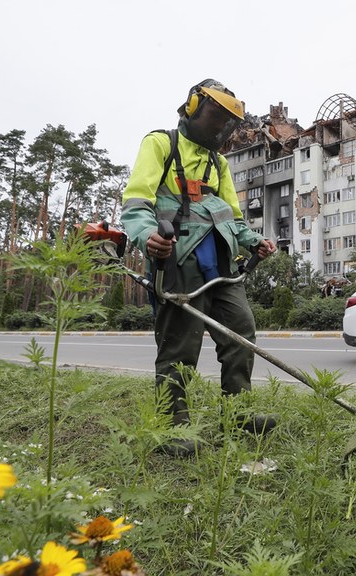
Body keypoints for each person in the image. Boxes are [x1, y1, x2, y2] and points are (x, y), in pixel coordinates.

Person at [121, 79, 277, 458]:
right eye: (218, 117)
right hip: (178, 259)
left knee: (241, 332)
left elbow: (232, 218)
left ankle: (238, 414)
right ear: (193, 107)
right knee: (179, 346)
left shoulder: (218, 163)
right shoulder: (161, 144)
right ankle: (172, 425)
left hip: (221, 262)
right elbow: (137, 202)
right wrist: (146, 237)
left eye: (229, 122)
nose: (223, 128)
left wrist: (252, 240)